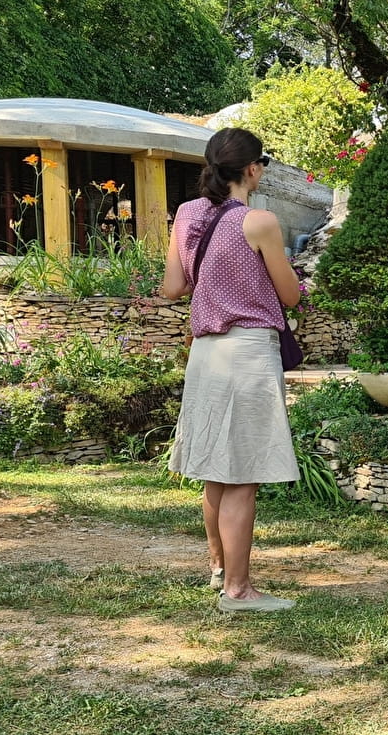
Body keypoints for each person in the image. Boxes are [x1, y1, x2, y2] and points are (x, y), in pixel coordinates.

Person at [162, 127, 302, 613]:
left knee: (216, 474)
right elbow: (290, 296)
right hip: (246, 350)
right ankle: (238, 591)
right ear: (251, 168)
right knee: (242, 472)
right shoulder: (259, 222)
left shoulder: (187, 214)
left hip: (205, 351)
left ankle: (220, 569)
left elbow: (172, 287)